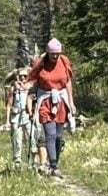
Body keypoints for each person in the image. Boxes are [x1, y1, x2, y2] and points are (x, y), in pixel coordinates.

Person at [28, 38, 76, 178]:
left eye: (57, 53)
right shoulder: (40, 64)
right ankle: (53, 167)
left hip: (60, 101)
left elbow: (68, 82)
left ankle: (54, 162)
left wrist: (71, 102)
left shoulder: (64, 61)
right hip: (45, 101)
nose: (55, 56)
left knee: (58, 136)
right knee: (50, 134)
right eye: (52, 53)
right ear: (48, 53)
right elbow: (32, 79)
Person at [4, 67, 35, 170]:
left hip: (28, 117)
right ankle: (17, 163)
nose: (22, 78)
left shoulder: (30, 87)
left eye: (25, 76)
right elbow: (9, 106)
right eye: (21, 76)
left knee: (31, 139)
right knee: (17, 141)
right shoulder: (14, 89)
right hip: (16, 118)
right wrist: (7, 121)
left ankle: (32, 163)